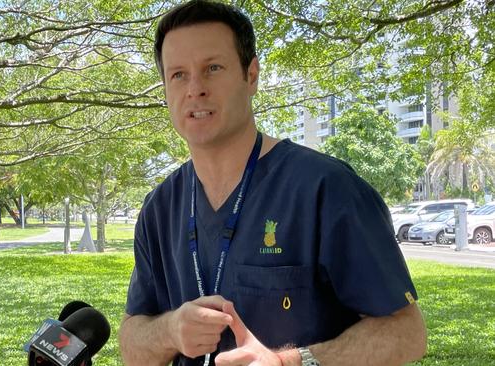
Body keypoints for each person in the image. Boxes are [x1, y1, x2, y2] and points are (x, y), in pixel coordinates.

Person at [118, 1, 427, 365]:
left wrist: (291, 362)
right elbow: (131, 343)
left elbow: (407, 333)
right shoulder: (160, 208)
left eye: (213, 68)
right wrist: (170, 330)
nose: (195, 89)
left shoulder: (326, 189)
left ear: (251, 76)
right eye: (178, 75)